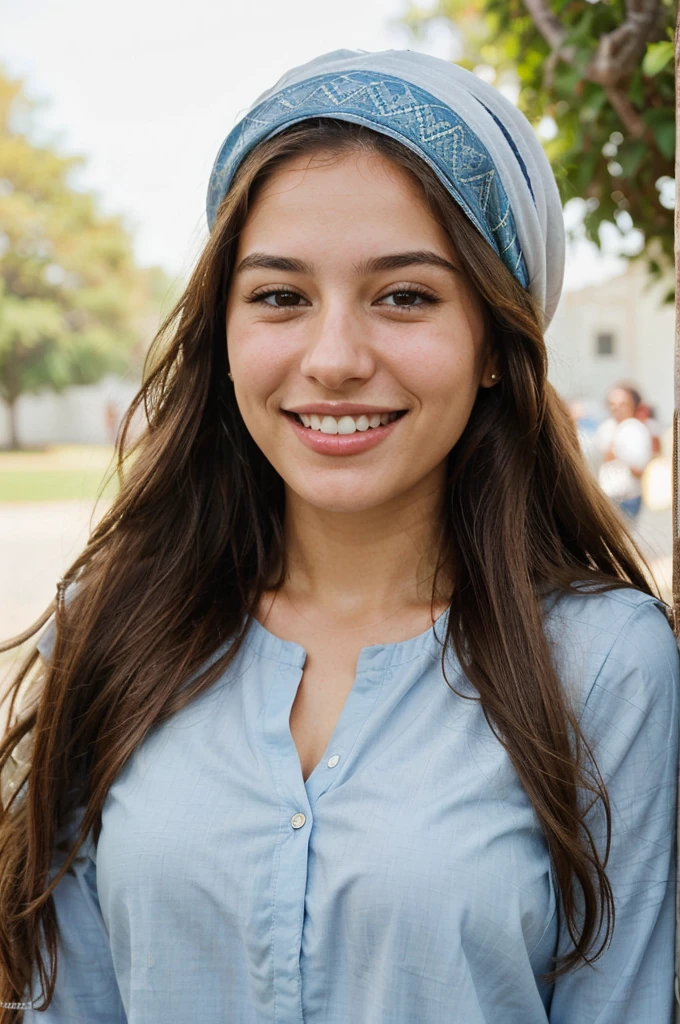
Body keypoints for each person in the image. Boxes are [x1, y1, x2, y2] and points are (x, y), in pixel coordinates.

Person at [0, 49, 677, 1024]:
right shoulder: (108, 631)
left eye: (403, 294)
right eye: (280, 295)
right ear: (224, 331)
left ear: (492, 341)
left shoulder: (607, 667)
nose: (333, 359)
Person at [595, 383, 653, 520]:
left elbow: (639, 469)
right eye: (612, 404)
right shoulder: (606, 427)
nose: (617, 408)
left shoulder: (636, 430)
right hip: (606, 497)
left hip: (627, 499)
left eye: (622, 404)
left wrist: (618, 455)